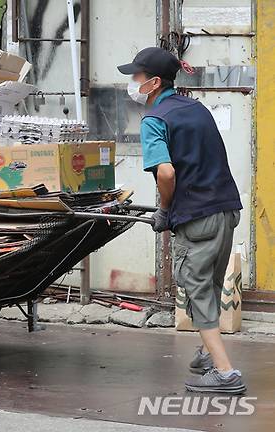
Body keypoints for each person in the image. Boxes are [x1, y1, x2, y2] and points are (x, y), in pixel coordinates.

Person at [118, 47, 245, 394]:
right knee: (212, 284)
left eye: (137, 77)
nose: (132, 83)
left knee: (197, 288)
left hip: (196, 217)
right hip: (226, 210)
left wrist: (164, 209)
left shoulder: (154, 119)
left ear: (154, 82)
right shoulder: (197, 108)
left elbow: (166, 172)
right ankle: (208, 352)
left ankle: (225, 373)